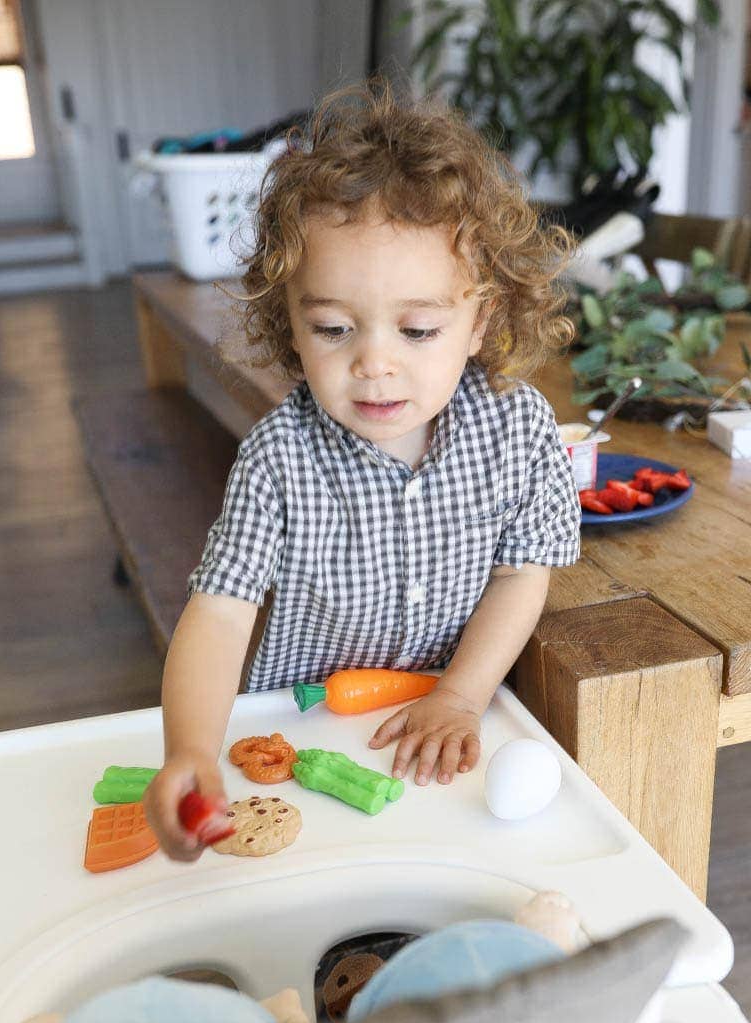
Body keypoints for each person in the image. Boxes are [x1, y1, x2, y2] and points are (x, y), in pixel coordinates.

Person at [143, 77, 580, 861]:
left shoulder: (519, 432)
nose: (374, 364)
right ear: (292, 325)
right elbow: (219, 614)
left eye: (417, 330)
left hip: (446, 736)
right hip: (302, 740)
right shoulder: (279, 456)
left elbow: (522, 577)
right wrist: (191, 750)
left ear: (479, 320)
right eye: (335, 327)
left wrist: (460, 695)